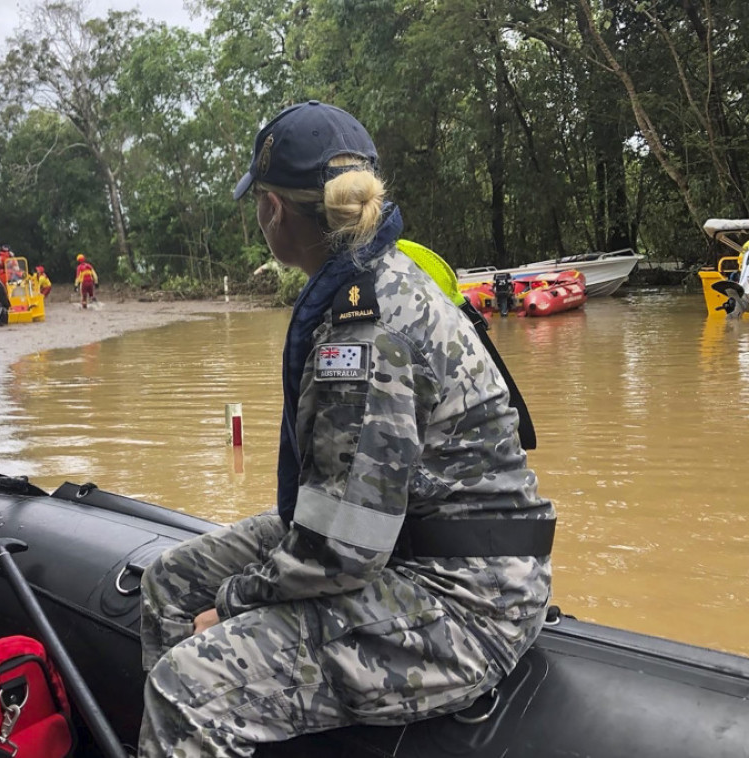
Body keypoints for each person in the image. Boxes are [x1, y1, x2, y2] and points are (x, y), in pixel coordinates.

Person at [138, 101, 556, 758]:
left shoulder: (368, 329)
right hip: (401, 539)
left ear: (273, 209)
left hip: (465, 593)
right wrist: (226, 599)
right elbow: (344, 518)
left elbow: (343, 549)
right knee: (169, 581)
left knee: (187, 687)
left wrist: (235, 604)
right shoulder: (367, 283)